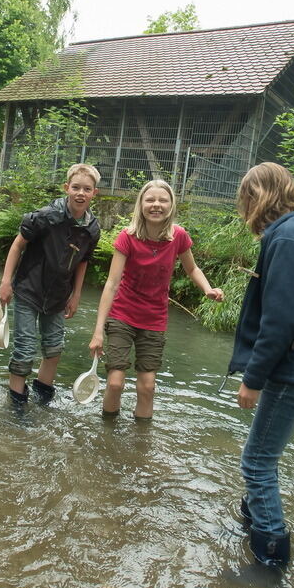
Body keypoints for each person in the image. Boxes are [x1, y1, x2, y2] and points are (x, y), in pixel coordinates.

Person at [227, 162, 294, 571]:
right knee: (261, 458)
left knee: (256, 462)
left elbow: (282, 318)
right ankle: (253, 523)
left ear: (260, 196)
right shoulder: (290, 232)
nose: (245, 208)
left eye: (247, 199)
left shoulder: (288, 238)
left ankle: (270, 560)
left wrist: (252, 380)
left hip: (293, 371)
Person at [88, 179, 224, 420]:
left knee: (147, 387)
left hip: (154, 319)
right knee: (116, 383)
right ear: (141, 204)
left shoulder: (178, 236)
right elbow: (111, 284)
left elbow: (192, 269)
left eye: (163, 200)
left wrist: (207, 289)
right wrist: (98, 331)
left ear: (171, 205)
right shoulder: (127, 237)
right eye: (150, 200)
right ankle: (106, 436)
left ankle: (141, 444)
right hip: (122, 315)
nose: (156, 205)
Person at [0, 163, 101, 407]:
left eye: (87, 189)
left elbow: (83, 261)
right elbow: (17, 245)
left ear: (94, 193)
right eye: (75, 187)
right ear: (67, 188)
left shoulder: (92, 228)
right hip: (28, 290)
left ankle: (43, 397)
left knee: (54, 348)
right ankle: (17, 403)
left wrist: (76, 295)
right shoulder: (45, 217)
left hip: (58, 296)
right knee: (24, 348)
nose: (80, 193)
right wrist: (6, 282)